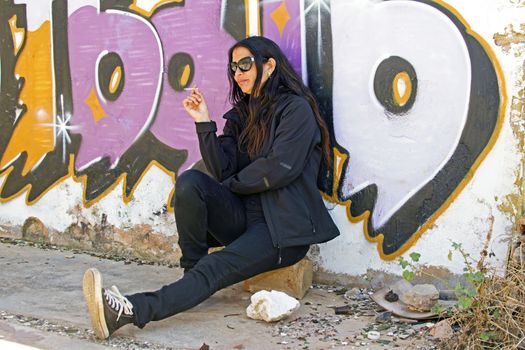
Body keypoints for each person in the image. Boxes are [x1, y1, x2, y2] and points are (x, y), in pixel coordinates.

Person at [82, 36, 340, 339]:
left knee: (216, 265)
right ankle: (193, 276)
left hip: (281, 229)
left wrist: (231, 185)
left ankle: (127, 311)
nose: (238, 73)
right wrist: (204, 123)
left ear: (269, 65)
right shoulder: (242, 115)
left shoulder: (296, 110)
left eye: (245, 64)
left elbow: (279, 168)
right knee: (191, 183)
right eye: (233, 67)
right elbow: (222, 169)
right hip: (245, 216)